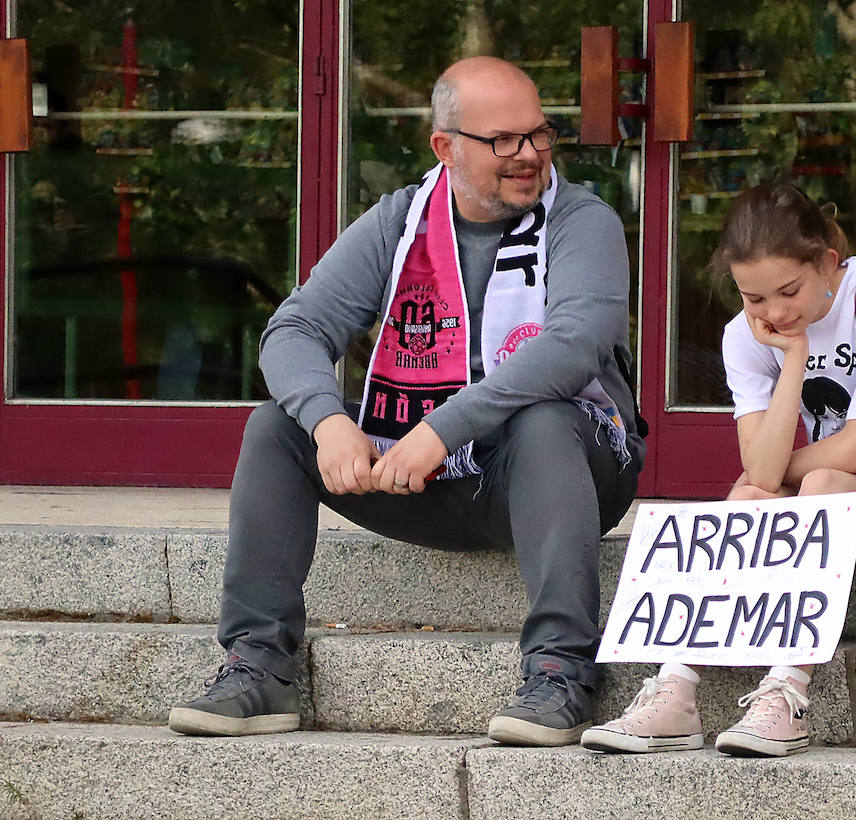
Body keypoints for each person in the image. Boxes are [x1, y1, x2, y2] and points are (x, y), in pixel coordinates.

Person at [168, 57, 644, 745]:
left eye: (539, 136)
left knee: (544, 417)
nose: (529, 156)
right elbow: (294, 328)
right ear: (445, 147)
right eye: (503, 141)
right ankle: (259, 669)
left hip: (561, 474)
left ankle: (560, 673)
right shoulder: (400, 220)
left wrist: (442, 429)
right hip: (420, 477)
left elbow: (574, 345)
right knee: (277, 427)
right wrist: (330, 422)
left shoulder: (580, 220)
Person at [581, 182, 856, 757]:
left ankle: (787, 690)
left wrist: (775, 476)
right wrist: (796, 357)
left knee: (806, 483)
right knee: (759, 490)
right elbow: (761, 466)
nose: (774, 313)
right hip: (830, 494)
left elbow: (855, 449)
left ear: (827, 263)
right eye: (754, 298)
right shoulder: (744, 335)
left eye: (789, 291)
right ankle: (675, 688)